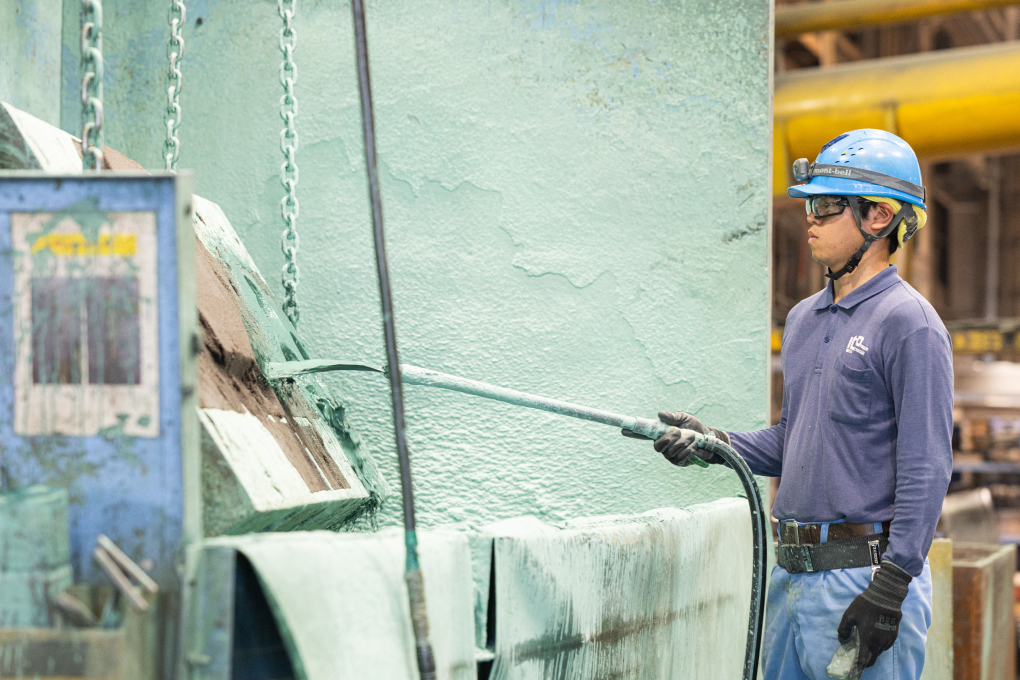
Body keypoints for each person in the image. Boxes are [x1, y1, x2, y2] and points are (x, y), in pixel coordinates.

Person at [626, 129, 953, 680]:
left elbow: (928, 466)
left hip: (865, 581)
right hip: (792, 575)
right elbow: (794, 439)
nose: (811, 217)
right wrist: (715, 444)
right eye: (811, 205)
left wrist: (893, 585)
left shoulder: (910, 324)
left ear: (877, 217)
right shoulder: (804, 320)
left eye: (827, 205)